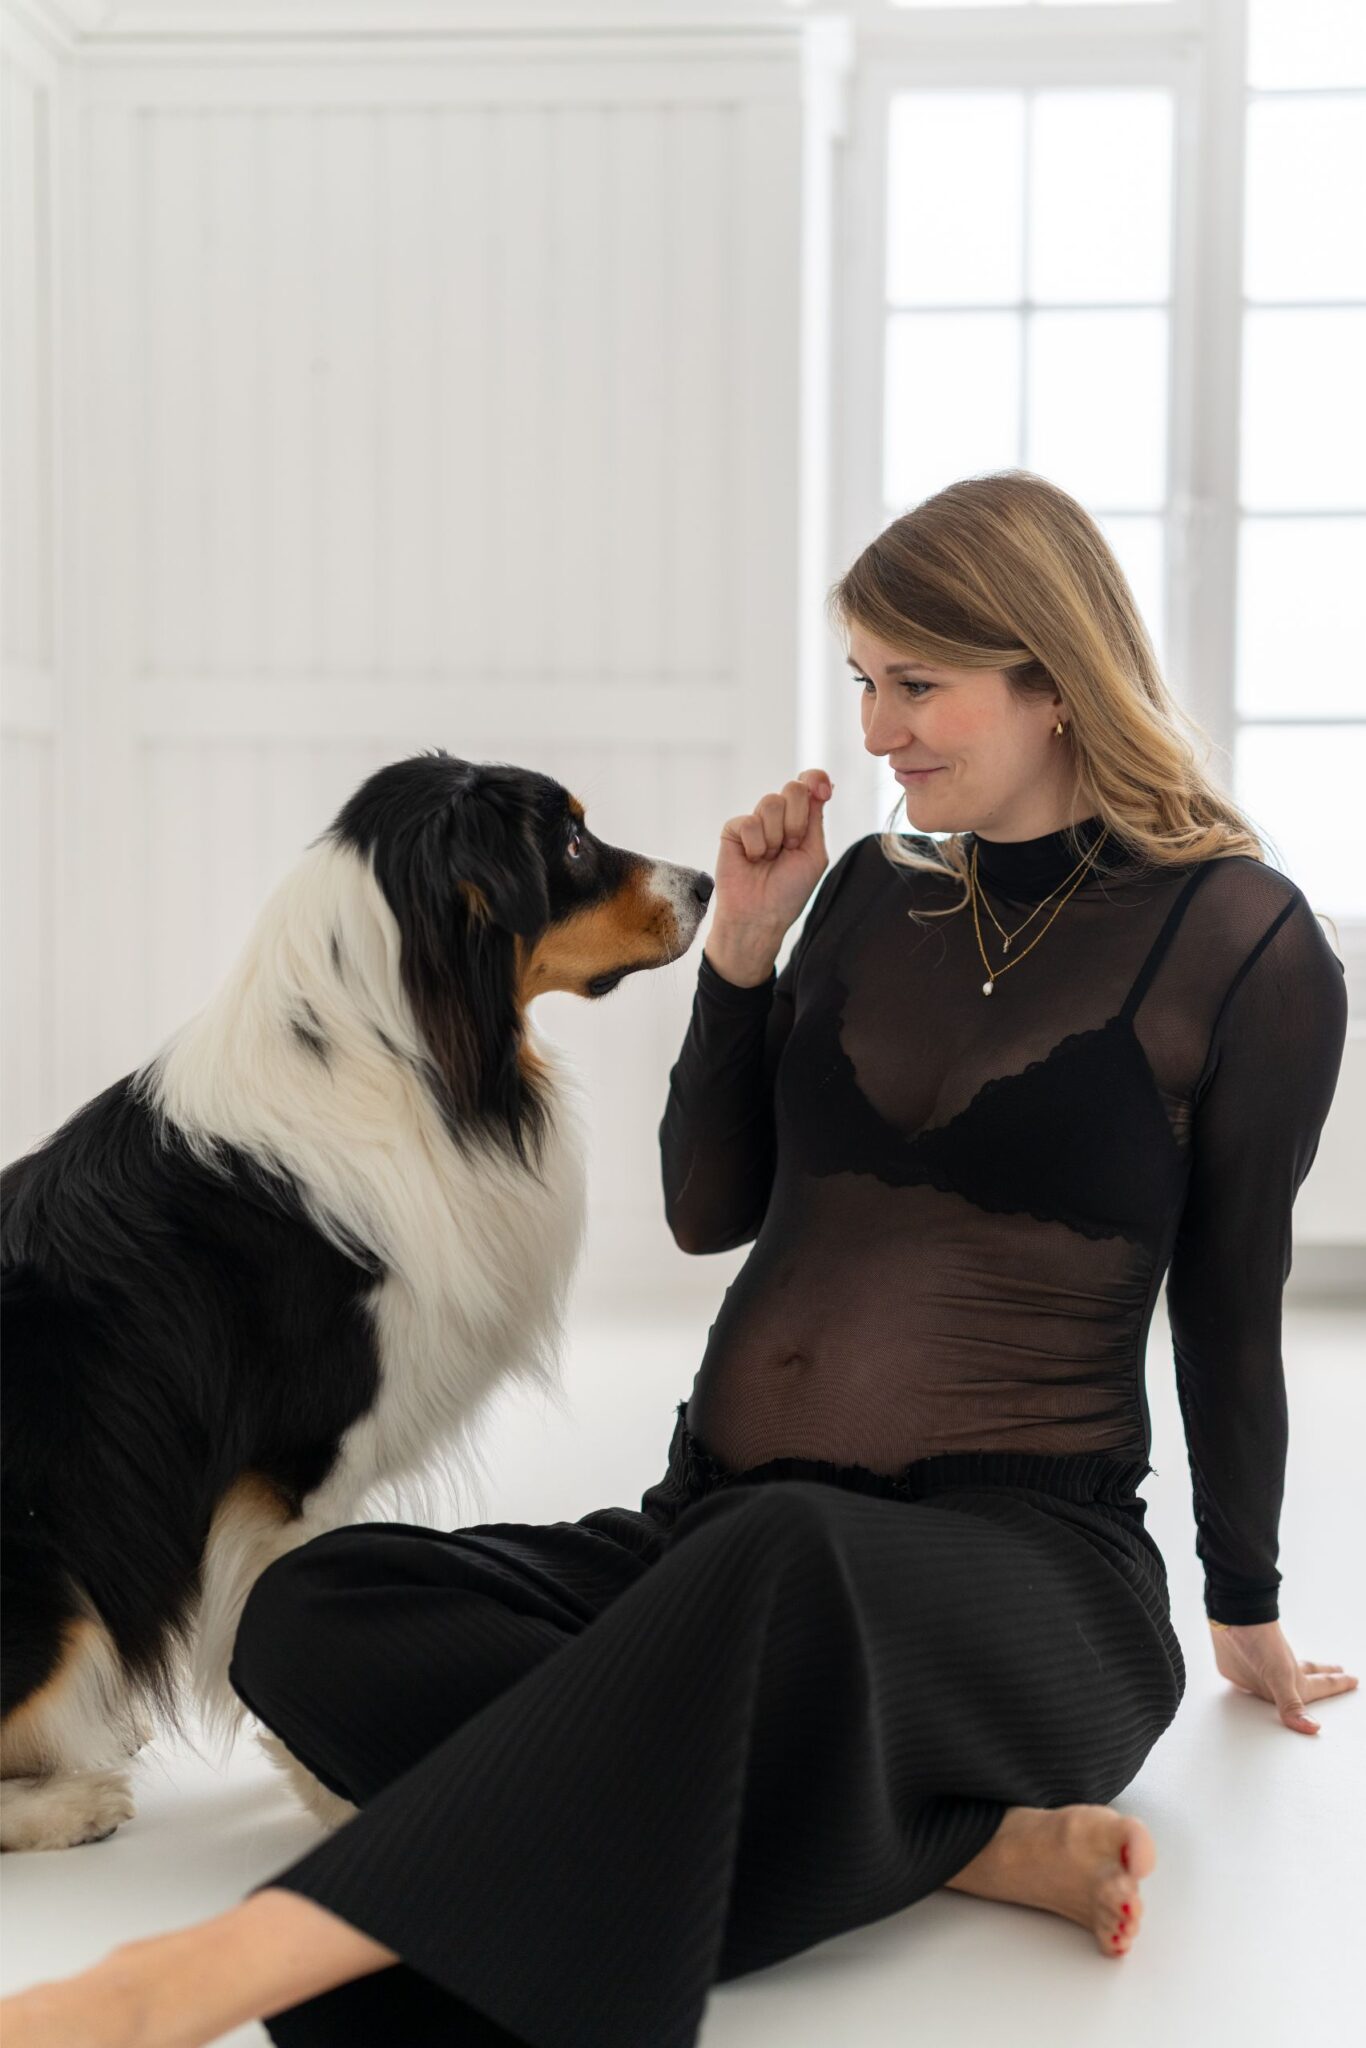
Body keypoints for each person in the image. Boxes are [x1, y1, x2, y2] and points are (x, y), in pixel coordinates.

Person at [2, 469, 1356, 2048]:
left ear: (1051, 680)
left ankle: (201, 1979)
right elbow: (713, 1208)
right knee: (315, 1609)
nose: (874, 730)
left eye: (916, 686)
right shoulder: (867, 895)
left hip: (1024, 1581)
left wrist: (1242, 1602)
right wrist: (739, 959)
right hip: (703, 1533)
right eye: (863, 682)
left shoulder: (1242, 941)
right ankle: (943, 1848)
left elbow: (1229, 1300)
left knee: (775, 1562)